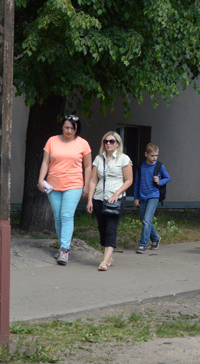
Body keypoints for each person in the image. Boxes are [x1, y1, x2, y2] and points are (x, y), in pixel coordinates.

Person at [36, 114, 92, 265]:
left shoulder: (83, 144)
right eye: (67, 127)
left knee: (67, 216)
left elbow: (88, 166)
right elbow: (45, 162)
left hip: (74, 184)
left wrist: (86, 186)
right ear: (62, 127)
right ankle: (63, 246)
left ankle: (65, 250)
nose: (69, 131)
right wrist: (41, 180)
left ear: (77, 129)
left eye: (73, 128)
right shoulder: (52, 141)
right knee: (58, 217)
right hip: (53, 185)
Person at [85, 131, 133, 272]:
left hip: (115, 199)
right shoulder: (99, 159)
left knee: (111, 229)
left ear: (117, 143)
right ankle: (110, 257)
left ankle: (105, 261)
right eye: (106, 141)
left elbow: (129, 180)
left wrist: (117, 193)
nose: (108, 144)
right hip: (99, 197)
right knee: (102, 228)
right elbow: (93, 181)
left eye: (111, 141)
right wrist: (90, 200)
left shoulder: (123, 159)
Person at [133, 142, 171, 254]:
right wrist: (136, 197)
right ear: (146, 154)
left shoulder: (159, 166)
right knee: (145, 220)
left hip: (154, 196)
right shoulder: (141, 166)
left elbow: (168, 178)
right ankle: (155, 238)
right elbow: (137, 183)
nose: (154, 158)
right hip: (142, 196)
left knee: (146, 220)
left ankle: (143, 244)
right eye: (152, 155)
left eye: (156, 156)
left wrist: (159, 181)